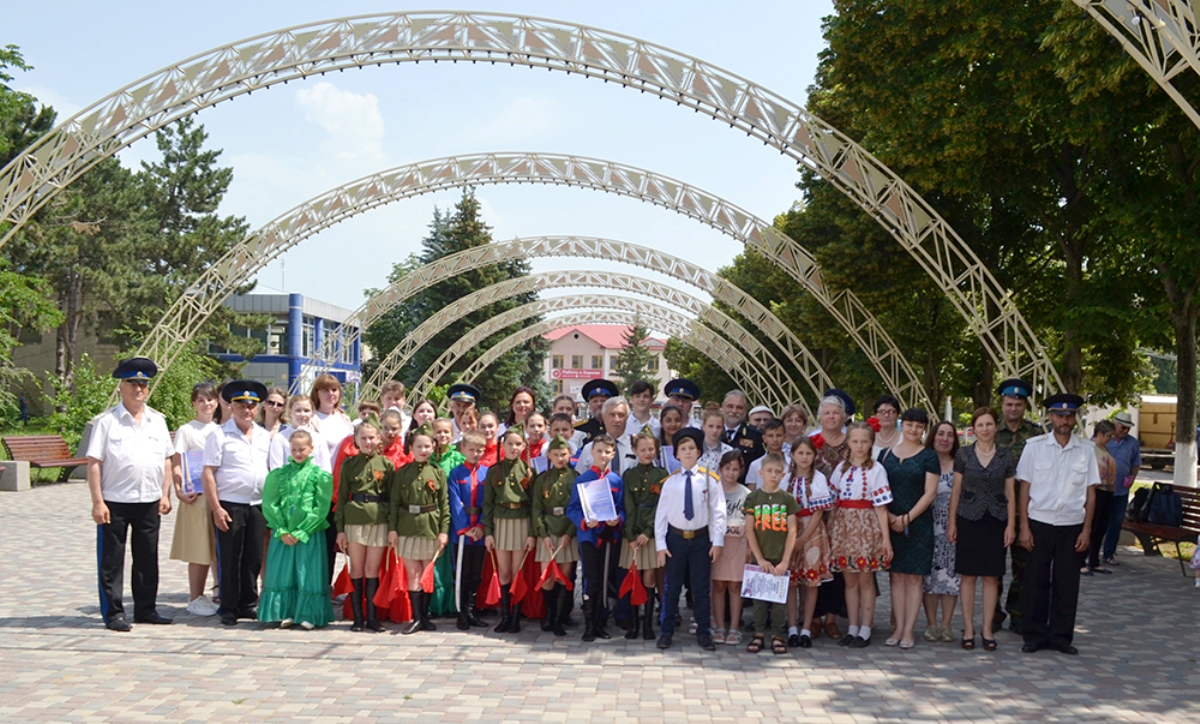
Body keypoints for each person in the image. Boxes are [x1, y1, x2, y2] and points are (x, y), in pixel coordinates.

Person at [87, 357, 174, 631]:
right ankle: (113, 613)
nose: (139, 388)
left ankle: (146, 609)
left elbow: (167, 459)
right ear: (121, 387)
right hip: (115, 501)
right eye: (132, 383)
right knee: (111, 561)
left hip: (149, 499)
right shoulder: (107, 422)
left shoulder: (157, 421)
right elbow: (94, 463)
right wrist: (98, 502)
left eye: (143, 384)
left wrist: (165, 494)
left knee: (147, 558)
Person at [1017, 393, 1099, 655]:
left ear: (1075, 418)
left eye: (1069, 416)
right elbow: (1024, 489)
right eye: (1060, 416)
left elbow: (1091, 494)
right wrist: (1024, 527)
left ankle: (1061, 637)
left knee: (1067, 583)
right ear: (1050, 417)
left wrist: (1087, 530)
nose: (1065, 420)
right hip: (1039, 523)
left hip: (1071, 525)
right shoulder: (1035, 447)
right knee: (1036, 581)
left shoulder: (1086, 450)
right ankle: (1034, 635)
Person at [203, 379, 271, 627]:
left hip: (257, 504)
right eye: (241, 405)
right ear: (231, 407)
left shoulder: (264, 435)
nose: (247, 410)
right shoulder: (219, 435)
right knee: (231, 557)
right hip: (230, 504)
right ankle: (229, 606)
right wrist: (216, 508)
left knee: (253, 557)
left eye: (251, 406)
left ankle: (247, 603)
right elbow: (208, 473)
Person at [949, 407, 1016, 652]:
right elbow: (956, 490)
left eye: (989, 424)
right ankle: (968, 628)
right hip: (968, 518)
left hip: (996, 520)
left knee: (991, 577)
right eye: (980, 425)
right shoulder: (964, 454)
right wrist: (952, 522)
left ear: (996, 427)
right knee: (968, 576)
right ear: (974, 429)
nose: (985, 429)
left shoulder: (1006, 456)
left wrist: (1011, 525)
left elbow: (1010, 493)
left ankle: (987, 629)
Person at [654, 427, 727, 651]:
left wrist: (717, 541)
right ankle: (666, 631)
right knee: (672, 588)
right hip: (675, 539)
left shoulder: (710, 480)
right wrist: (660, 544)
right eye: (683, 449)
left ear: (699, 452)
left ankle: (704, 632)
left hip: (700, 540)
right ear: (676, 454)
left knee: (701, 588)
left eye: (692, 448)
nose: (687, 452)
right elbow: (661, 515)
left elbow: (718, 512)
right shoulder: (670, 482)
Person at [258, 430, 334, 629]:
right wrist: (281, 529)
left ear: (311, 449)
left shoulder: (320, 476)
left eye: (302, 449)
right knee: (284, 571)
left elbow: (321, 506)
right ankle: (286, 611)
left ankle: (309, 613)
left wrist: (304, 530)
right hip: (284, 532)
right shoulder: (279, 475)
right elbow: (270, 503)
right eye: (294, 450)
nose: (298, 453)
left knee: (307, 571)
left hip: (309, 532)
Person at [878, 408, 940, 649]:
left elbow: (930, 493)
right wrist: (890, 517)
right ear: (902, 425)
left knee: (914, 578)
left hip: (918, 524)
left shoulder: (929, 456)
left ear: (924, 429)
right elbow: (878, 489)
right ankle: (897, 627)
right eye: (910, 424)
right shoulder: (885, 454)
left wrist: (907, 518)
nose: (914, 429)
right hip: (890, 521)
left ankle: (908, 630)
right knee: (896, 577)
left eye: (919, 426)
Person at [828, 421, 893, 649]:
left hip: (866, 525)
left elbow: (881, 507)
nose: (859, 446)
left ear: (871, 443)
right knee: (849, 580)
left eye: (864, 441)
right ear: (848, 442)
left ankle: (866, 628)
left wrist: (886, 538)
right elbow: (832, 501)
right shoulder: (840, 469)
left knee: (865, 579)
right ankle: (852, 626)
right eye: (855, 441)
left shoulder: (876, 469)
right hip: (844, 525)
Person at [388, 423, 450, 635]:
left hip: (430, 526)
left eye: (427, 446)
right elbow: (394, 503)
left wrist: (443, 531)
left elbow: (445, 505)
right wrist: (392, 528)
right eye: (419, 446)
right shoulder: (403, 473)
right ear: (411, 448)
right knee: (413, 574)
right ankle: (417, 618)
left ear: (433, 447)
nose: (423, 450)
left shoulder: (438, 473)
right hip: (407, 526)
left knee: (427, 573)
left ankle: (425, 617)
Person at [334, 417, 394, 632]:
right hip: (354, 521)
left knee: (372, 570)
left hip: (379, 520)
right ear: (356, 441)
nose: (368, 442)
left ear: (379, 439)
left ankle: (372, 618)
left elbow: (392, 499)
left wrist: (392, 527)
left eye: (372, 438)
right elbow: (342, 497)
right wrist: (340, 530)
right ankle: (358, 618)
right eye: (364, 438)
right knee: (357, 569)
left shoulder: (386, 465)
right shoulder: (349, 464)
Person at [994, 377, 1042, 634]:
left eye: (1018, 404)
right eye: (1009, 404)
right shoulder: (991, 431)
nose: (1013, 408)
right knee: (993, 569)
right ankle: (993, 615)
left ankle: (1018, 614)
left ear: (1025, 406)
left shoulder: (1036, 435)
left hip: (1026, 512)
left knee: (1024, 569)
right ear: (1002, 404)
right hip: (995, 512)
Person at [566, 434, 625, 642]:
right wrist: (583, 521)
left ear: (613, 454)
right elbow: (572, 509)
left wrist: (617, 519)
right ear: (592, 452)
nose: (603, 455)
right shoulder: (582, 480)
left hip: (608, 536)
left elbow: (621, 508)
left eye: (607, 452)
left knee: (604, 579)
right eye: (599, 451)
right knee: (590, 579)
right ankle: (589, 624)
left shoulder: (616, 480)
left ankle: (601, 621)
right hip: (589, 536)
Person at [169, 382, 221, 617]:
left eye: (209, 399)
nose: (206, 404)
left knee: (214, 548)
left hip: (218, 496)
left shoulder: (220, 430)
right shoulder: (187, 430)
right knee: (199, 549)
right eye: (200, 400)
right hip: (196, 496)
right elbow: (177, 463)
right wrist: (178, 490)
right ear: (193, 403)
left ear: (217, 402)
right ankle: (194, 597)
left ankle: (213, 592)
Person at [743, 453, 801, 655]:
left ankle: (778, 634)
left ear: (783, 475)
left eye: (777, 472)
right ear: (761, 473)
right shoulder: (753, 498)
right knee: (759, 599)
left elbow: (792, 531)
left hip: (780, 556)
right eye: (769, 471)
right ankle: (759, 633)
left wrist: (785, 560)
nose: (773, 475)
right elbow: (749, 530)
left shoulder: (787, 499)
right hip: (760, 557)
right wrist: (759, 558)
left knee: (778, 600)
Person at [809, 392, 853, 642]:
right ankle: (814, 617)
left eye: (836, 413)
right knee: (815, 562)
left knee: (837, 566)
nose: (831, 417)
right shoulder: (811, 441)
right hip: (815, 512)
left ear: (844, 416)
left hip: (843, 513)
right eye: (826, 412)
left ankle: (832, 618)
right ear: (820, 416)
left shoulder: (852, 442)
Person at [484, 427, 535, 634]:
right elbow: (488, 504)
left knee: (517, 572)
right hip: (501, 522)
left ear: (524, 446)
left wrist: (531, 534)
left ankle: (516, 617)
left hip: (522, 522)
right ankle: (505, 616)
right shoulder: (494, 471)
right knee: (503, 571)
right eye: (510, 444)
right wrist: (488, 532)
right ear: (502, 445)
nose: (514, 447)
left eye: (518, 444)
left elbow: (534, 506)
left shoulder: (529, 471)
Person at [784, 436, 834, 648]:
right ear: (793, 455)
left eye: (808, 453)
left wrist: (803, 538)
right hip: (789, 528)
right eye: (800, 453)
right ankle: (791, 626)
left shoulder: (818, 478)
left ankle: (806, 627)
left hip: (812, 531)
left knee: (811, 580)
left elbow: (818, 512)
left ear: (814, 456)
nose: (804, 457)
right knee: (791, 581)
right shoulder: (785, 477)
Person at [618, 427, 666, 640]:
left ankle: (647, 624)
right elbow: (627, 505)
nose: (647, 453)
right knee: (633, 577)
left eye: (651, 449)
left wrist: (648, 531)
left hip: (652, 533)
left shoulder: (661, 475)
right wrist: (630, 534)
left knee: (649, 577)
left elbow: (661, 506)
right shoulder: (629, 475)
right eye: (643, 449)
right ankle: (633, 624)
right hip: (632, 532)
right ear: (635, 450)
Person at [532, 434, 580, 637]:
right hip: (549, 530)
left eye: (564, 454)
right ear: (549, 456)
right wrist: (543, 534)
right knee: (548, 577)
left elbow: (578, 507)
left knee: (564, 577)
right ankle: (549, 614)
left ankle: (559, 618)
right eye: (556, 454)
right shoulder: (542, 479)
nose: (560, 458)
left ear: (570, 454)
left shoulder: (575, 477)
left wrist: (569, 533)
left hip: (568, 530)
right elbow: (536, 509)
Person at [922, 420, 961, 645]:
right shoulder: (924, 461)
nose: (945, 439)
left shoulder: (960, 464)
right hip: (927, 526)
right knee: (929, 578)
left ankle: (946, 624)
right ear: (933, 436)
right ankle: (931, 624)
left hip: (951, 528)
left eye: (950, 435)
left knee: (950, 578)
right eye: (940, 434)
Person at [447, 430, 491, 630]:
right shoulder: (456, 473)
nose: (475, 454)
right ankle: (461, 612)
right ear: (463, 449)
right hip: (462, 533)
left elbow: (489, 502)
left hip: (480, 531)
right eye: (471, 450)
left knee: (475, 573)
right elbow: (454, 502)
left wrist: (481, 525)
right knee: (461, 572)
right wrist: (464, 528)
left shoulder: (487, 473)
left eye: (479, 450)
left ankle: (471, 611)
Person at [711, 451, 750, 646]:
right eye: (727, 468)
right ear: (720, 469)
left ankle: (734, 627)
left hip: (739, 544)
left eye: (735, 469)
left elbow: (751, 522)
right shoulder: (713, 491)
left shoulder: (746, 494)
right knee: (718, 585)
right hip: (718, 544)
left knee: (735, 586)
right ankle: (719, 625)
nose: (731, 473)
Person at [1103, 411, 1141, 567]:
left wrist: (1132, 478)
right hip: (1103, 489)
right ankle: (1090, 554)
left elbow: (1136, 464)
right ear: (1115, 424)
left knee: (1116, 523)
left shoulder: (1133, 443)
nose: (1125, 431)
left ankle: (1108, 554)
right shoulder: (1106, 439)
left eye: (1128, 428)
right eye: (1122, 427)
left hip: (1121, 491)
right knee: (1099, 522)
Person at [1084, 421, 1118, 575]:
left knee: (1101, 528)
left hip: (1107, 491)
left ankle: (1093, 560)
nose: (1111, 439)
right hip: (1095, 491)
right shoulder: (1089, 448)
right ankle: (1081, 560)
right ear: (1099, 433)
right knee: (1091, 526)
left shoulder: (1104, 448)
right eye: (1109, 435)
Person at [268, 394, 331, 473]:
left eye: (306, 411)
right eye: (298, 410)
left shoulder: (319, 438)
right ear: (290, 411)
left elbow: (326, 468)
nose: (302, 414)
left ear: (312, 412)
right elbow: (276, 469)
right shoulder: (280, 438)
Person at [575, 396, 636, 475]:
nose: (616, 420)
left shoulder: (636, 446)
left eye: (621, 415)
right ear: (604, 417)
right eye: (612, 415)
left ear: (627, 418)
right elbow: (580, 477)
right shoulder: (590, 448)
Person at [720, 390, 766, 481]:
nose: (734, 411)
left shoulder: (756, 435)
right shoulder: (712, 432)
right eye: (730, 406)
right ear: (723, 407)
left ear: (745, 410)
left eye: (739, 408)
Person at [311, 374, 355, 462]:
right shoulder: (311, 420)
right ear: (317, 393)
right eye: (326, 390)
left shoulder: (344, 418)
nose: (331, 393)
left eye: (334, 390)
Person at [574, 379, 618, 445]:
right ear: (589, 404)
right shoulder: (580, 428)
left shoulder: (618, 426)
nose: (599, 404)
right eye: (595, 401)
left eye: (603, 401)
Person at [746, 418, 787, 489]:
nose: (775, 439)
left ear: (785, 437)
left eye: (778, 435)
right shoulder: (755, 465)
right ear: (764, 438)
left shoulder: (792, 464)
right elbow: (752, 492)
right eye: (770, 436)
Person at [698, 408, 735, 474]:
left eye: (718, 427)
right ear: (703, 426)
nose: (715, 430)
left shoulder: (729, 451)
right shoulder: (695, 449)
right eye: (711, 426)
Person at [656, 405, 686, 473]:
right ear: (661, 423)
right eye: (668, 421)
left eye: (677, 420)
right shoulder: (655, 447)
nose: (673, 424)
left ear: (682, 422)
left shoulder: (687, 445)